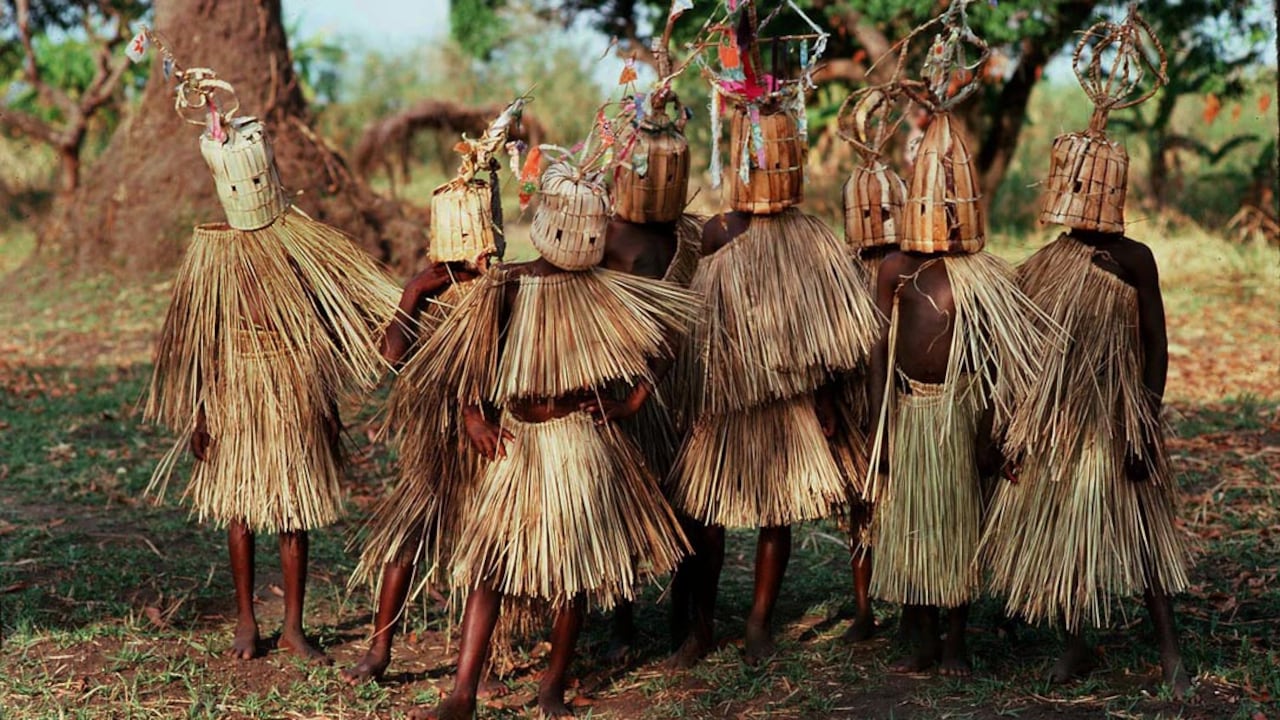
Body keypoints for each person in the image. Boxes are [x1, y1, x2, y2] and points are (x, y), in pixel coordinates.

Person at [410, 159, 697, 719]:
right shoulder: (508, 284)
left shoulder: (605, 291)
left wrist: (631, 402)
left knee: (572, 574)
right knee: (490, 564)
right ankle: (463, 694)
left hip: (577, 443)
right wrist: (473, 415)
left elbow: (668, 341)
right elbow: (467, 355)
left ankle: (552, 688)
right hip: (518, 440)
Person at [145, 72, 399, 663]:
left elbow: (328, 328)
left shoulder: (304, 245)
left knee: (292, 509)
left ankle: (292, 625)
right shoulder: (213, 254)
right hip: (235, 389)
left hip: (294, 387)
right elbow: (202, 339)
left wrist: (326, 404)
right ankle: (245, 620)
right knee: (239, 510)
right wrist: (201, 413)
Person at [980, 12, 1191, 694]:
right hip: (1061, 426)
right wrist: (1013, 427)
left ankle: (1169, 649)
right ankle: (1076, 646)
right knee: (1067, 534)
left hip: (1117, 418)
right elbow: (1019, 357)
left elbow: (1156, 342)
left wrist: (1145, 420)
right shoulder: (1042, 265)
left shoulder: (1134, 259)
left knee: (1143, 535)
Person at [666, 86, 880, 665]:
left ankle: (759, 622)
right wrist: (699, 394)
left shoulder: (808, 235)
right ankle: (702, 626)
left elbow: (828, 331)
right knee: (707, 516)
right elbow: (704, 322)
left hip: (790, 402)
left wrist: (825, 398)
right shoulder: (719, 231)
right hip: (729, 400)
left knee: (776, 514)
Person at [863, 108, 1054, 676]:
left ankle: (955, 643)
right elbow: (877, 349)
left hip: (961, 412)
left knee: (958, 526)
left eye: (953, 203)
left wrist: (990, 428)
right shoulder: (895, 268)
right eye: (933, 202)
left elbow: (997, 362)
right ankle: (923, 641)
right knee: (911, 525)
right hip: (910, 410)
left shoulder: (984, 273)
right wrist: (879, 427)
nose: (942, 213)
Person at [343, 102, 520, 685]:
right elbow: (391, 355)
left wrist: (476, 412)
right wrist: (414, 291)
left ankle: (487, 659)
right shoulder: (429, 288)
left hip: (492, 437)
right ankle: (379, 650)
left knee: (487, 551)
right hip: (434, 440)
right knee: (406, 538)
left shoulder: (507, 289)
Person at [599, 96, 705, 660]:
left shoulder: (690, 235)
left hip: (680, 386)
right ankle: (622, 624)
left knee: (688, 504)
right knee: (622, 503)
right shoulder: (609, 234)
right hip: (622, 383)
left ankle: (686, 621)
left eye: (671, 172)